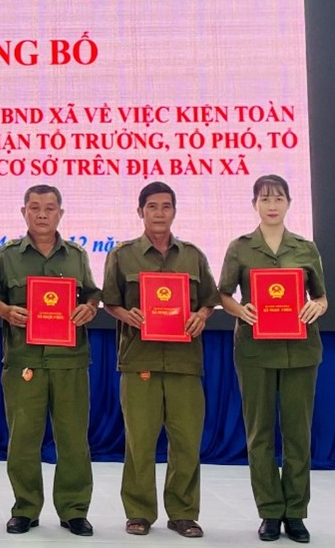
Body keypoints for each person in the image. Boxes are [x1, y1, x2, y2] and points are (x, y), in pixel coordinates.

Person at [102, 181, 220, 539]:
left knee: (186, 441)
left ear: (174, 211)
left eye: (166, 206)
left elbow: (209, 300)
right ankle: (139, 512)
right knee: (139, 441)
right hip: (140, 359)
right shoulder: (122, 255)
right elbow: (110, 301)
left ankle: (183, 513)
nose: (159, 213)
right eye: (152, 206)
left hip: (185, 361)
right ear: (140, 211)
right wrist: (127, 314)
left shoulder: (193, 255)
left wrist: (201, 316)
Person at [0, 185, 101, 537]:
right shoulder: (8, 255)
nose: (42, 214)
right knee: (23, 439)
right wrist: (6, 311)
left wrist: (89, 308)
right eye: (34, 208)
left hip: (70, 361)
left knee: (73, 440)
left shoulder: (76, 255)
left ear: (60, 214)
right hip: (25, 360)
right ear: (24, 212)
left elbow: (92, 294)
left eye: (50, 208)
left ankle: (74, 510)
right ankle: (25, 508)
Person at [218, 175, 327, 543]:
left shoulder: (305, 248)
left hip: (301, 351)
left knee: (298, 434)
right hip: (255, 351)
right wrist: (240, 310)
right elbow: (223, 294)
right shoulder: (240, 247)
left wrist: (317, 306)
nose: (272, 205)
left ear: (289, 202)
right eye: (264, 199)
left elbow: (321, 297)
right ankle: (269, 512)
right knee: (259, 434)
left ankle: (295, 513)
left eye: (278, 198)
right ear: (255, 204)